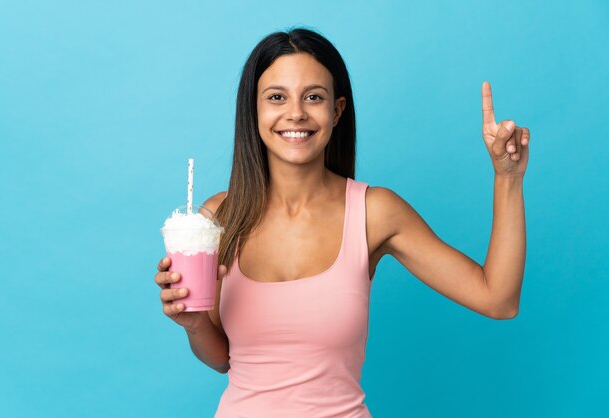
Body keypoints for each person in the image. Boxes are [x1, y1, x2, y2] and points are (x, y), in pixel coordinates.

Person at [154, 27, 530, 418]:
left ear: (336, 111)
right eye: (277, 97)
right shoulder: (219, 218)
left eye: (313, 97)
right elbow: (224, 359)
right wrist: (194, 323)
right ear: (254, 110)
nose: (296, 112)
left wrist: (508, 178)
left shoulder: (374, 212)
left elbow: (498, 299)